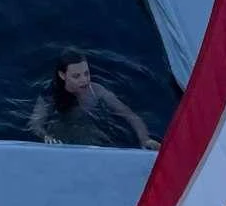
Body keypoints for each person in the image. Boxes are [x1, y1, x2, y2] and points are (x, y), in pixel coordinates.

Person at [28, 48, 158, 150]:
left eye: (86, 73)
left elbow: (129, 115)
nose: (84, 80)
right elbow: (35, 124)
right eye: (76, 76)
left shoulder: (96, 91)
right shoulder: (50, 95)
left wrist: (145, 139)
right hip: (61, 131)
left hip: (89, 129)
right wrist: (46, 136)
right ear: (62, 75)